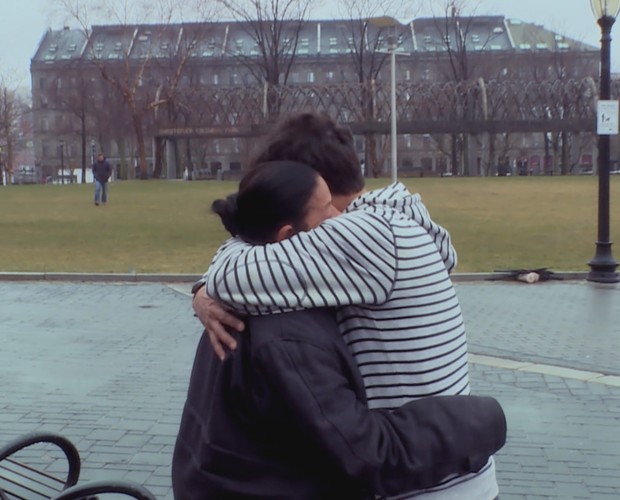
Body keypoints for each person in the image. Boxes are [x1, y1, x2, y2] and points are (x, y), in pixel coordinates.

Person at [194, 112, 501, 499]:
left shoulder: (363, 234)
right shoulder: (391, 220)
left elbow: (233, 277)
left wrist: (203, 291)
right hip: (445, 468)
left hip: (425, 484)